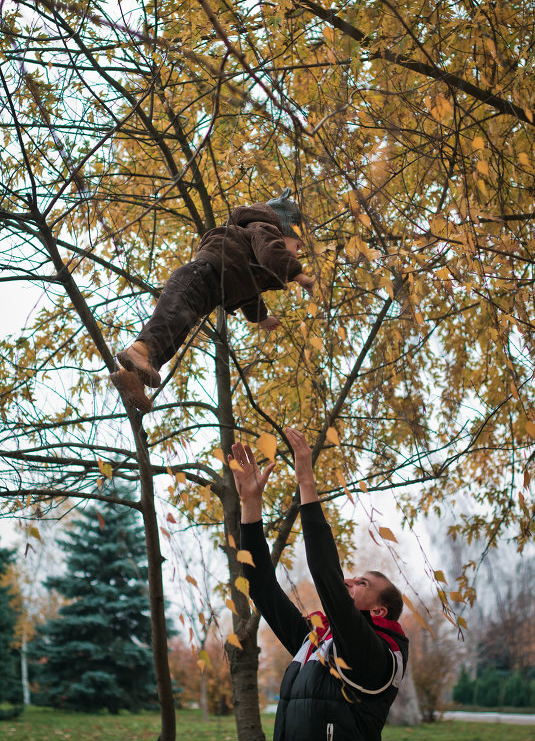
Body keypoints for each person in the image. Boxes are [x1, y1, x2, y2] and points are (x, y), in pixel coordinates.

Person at [230, 429, 409, 741]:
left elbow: (328, 579)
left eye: (362, 582)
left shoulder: (374, 656)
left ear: (380, 610)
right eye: (353, 577)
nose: (349, 580)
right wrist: (251, 506)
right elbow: (261, 588)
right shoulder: (315, 640)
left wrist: (307, 485)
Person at [111, 189, 314, 413]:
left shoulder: (251, 261)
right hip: (200, 276)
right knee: (171, 318)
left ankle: (131, 378)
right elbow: (273, 255)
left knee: (175, 335)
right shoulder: (264, 229)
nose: (297, 254)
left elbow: (248, 292)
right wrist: (299, 275)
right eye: (298, 246)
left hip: (208, 289)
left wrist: (261, 318)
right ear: (284, 230)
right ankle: (139, 351)